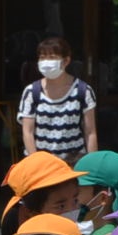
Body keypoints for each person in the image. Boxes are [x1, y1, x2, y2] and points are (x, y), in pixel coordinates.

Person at [18, 36, 97, 168]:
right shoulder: (31, 92)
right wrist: (34, 164)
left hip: (75, 161)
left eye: (52, 57)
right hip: (41, 164)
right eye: (42, 57)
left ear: (66, 61)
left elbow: (90, 132)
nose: (46, 62)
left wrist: (92, 166)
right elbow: (27, 131)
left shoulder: (83, 91)